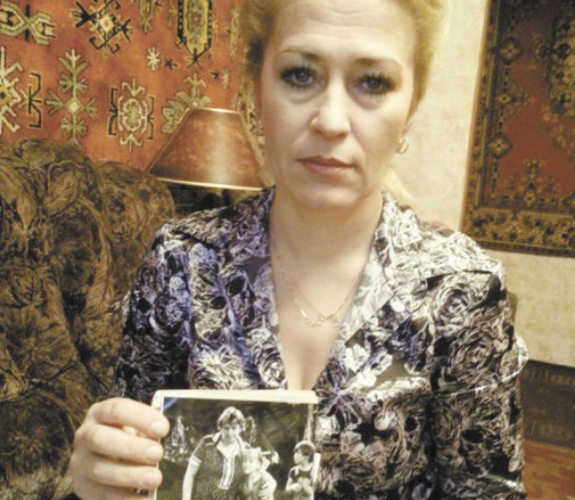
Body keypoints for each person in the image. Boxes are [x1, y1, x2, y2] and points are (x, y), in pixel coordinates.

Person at [71, 0, 528, 498]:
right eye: (299, 75)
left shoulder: (460, 289)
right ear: (256, 90)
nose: (330, 121)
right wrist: (101, 479)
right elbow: (136, 458)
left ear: (411, 108)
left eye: (373, 82)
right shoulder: (182, 260)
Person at [181, 406, 247, 500]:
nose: (229, 432)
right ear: (220, 427)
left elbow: (256, 475)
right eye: (226, 428)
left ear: (241, 428)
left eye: (234, 428)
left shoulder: (245, 450)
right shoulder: (207, 443)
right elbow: (190, 474)